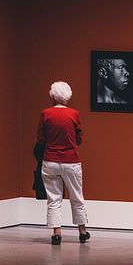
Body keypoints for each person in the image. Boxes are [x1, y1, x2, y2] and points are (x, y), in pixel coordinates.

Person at [35, 81, 89, 245]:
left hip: (50, 160)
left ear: (52, 96)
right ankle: (82, 231)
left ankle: (56, 233)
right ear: (68, 96)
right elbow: (79, 138)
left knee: (54, 199)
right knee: (77, 197)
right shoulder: (74, 114)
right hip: (71, 161)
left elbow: (40, 138)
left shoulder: (46, 114)